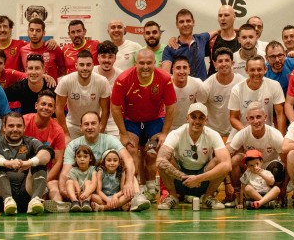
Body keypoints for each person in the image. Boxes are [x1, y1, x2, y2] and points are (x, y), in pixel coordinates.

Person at [112, 49, 176, 200]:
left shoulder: (164, 78)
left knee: (152, 152)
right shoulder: (123, 79)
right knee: (131, 149)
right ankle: (136, 189)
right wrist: (122, 133)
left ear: (155, 63)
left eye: (149, 63)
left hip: (154, 121)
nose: (145, 66)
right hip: (131, 121)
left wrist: (165, 133)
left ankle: (152, 188)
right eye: (142, 63)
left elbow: (171, 105)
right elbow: (114, 107)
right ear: (136, 64)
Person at [61, 111, 150, 211]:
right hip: (92, 191)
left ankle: (136, 198)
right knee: (89, 195)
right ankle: (117, 205)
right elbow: (65, 173)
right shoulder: (73, 145)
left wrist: (128, 182)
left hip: (110, 187)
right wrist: (65, 192)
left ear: (100, 125)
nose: (90, 127)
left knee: (131, 177)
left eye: (93, 123)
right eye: (86, 124)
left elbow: (128, 159)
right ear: (81, 127)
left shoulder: (110, 140)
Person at [154, 102, 231, 210]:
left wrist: (198, 178)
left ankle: (208, 197)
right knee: (165, 160)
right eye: (193, 117)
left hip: (203, 179)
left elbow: (227, 165)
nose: (197, 121)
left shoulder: (213, 134)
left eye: (201, 118)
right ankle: (173, 196)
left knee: (220, 161)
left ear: (206, 120)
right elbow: (160, 161)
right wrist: (183, 177)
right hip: (180, 179)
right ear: (187, 118)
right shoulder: (176, 133)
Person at [0, 112, 52, 215]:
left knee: (39, 162)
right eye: (11, 126)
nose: (15, 129)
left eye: (19, 126)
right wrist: (6, 163)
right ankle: (8, 199)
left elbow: (47, 153)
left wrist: (29, 162)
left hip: (25, 196)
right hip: (0, 199)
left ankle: (35, 200)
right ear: (4, 127)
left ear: (24, 128)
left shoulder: (31, 142)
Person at [227, 107, 286, 207]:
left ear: (265, 118)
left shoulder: (275, 135)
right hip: (250, 166)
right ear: (247, 120)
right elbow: (226, 157)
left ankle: (276, 197)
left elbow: (286, 161)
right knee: (234, 160)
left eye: (258, 117)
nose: (256, 121)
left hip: (269, 166)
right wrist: (227, 183)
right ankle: (239, 197)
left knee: (277, 167)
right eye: (252, 118)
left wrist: (283, 188)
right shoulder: (242, 133)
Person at [56, 50, 113, 139]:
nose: (85, 68)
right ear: (76, 66)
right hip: (73, 125)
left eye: (88, 65)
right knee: (67, 148)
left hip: (94, 126)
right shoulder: (66, 81)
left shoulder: (102, 81)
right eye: (82, 65)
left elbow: (105, 111)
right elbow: (59, 109)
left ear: (93, 65)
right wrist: (66, 134)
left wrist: (100, 131)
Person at [229, 56, 286, 133]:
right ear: (246, 70)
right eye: (252, 70)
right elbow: (233, 118)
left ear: (265, 69)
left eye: (259, 69)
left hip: (267, 130)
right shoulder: (237, 89)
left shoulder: (275, 85)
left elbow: (280, 114)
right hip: (243, 130)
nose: (256, 73)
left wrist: (281, 139)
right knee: (228, 145)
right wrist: (247, 132)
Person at [200, 48, 244, 139]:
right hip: (213, 133)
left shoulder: (242, 82)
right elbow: (200, 111)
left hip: (236, 131)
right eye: (220, 61)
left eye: (227, 60)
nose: (224, 64)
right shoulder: (206, 86)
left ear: (232, 63)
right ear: (214, 64)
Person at [161, 9, 212, 80]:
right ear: (177, 25)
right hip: (180, 89)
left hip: (202, 89)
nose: (185, 24)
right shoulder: (170, 48)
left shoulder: (201, 38)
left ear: (193, 23)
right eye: (181, 22)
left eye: (188, 21)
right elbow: (165, 75)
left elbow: (219, 31)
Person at [167, 60, 207, 130]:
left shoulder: (197, 83)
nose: (182, 71)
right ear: (173, 70)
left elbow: (202, 107)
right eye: (178, 68)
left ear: (189, 70)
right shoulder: (166, 84)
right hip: (169, 127)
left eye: (185, 68)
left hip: (189, 127)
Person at [63, 144, 99, 211]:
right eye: (79, 156)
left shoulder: (93, 169)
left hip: (88, 194)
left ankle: (86, 202)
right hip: (76, 194)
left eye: (85, 157)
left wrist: (86, 193)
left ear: (90, 158)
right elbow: (76, 185)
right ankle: (75, 202)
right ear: (75, 158)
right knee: (69, 182)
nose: (82, 159)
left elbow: (94, 183)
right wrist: (79, 194)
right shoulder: (73, 170)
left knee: (88, 182)